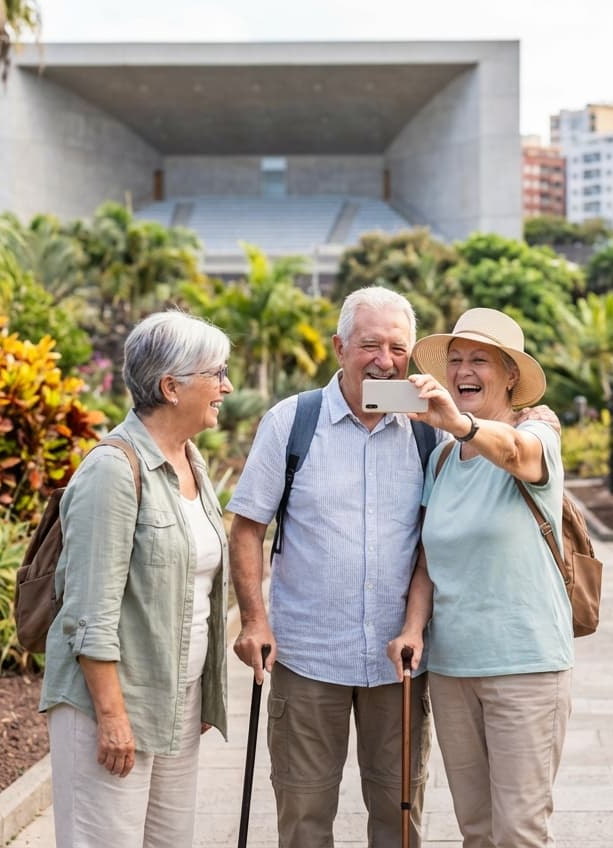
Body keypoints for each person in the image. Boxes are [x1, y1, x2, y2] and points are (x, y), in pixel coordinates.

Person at [227, 286, 434, 848]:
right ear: (340, 346)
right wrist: (253, 620)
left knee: (399, 816)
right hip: (307, 654)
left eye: (397, 347)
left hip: (399, 664)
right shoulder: (292, 421)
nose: (384, 360)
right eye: (370, 344)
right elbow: (247, 526)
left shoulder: (426, 427)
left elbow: (431, 542)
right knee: (303, 815)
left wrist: (530, 417)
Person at [40, 310, 233, 848]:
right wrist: (111, 717)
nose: (227, 386)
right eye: (216, 373)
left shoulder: (189, 462)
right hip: (114, 705)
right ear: (172, 387)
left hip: (176, 703)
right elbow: (88, 611)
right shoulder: (112, 469)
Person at [386, 307, 571, 848]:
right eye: (456, 360)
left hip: (526, 665)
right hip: (452, 669)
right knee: (477, 830)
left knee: (519, 831)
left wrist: (459, 423)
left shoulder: (535, 432)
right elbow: (427, 556)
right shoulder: (443, 458)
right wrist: (414, 627)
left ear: (510, 374)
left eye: (481, 360)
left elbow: (517, 453)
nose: (465, 371)